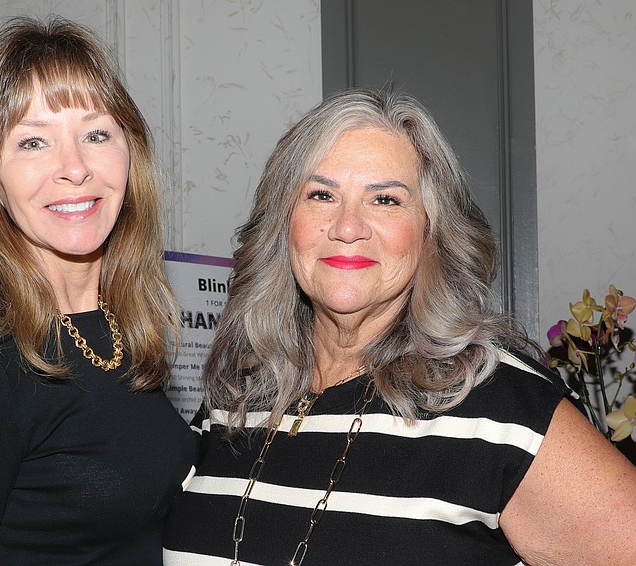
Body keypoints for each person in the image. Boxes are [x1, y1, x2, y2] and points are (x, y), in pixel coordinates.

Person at [162, 87, 636, 565]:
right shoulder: (235, 396)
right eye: (321, 194)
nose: (348, 226)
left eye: (385, 200)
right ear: (284, 222)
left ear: (431, 230)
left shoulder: (504, 411)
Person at [0, 16, 195, 565]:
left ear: (130, 154)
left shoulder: (118, 331)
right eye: (33, 142)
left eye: (96, 134)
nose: (74, 168)